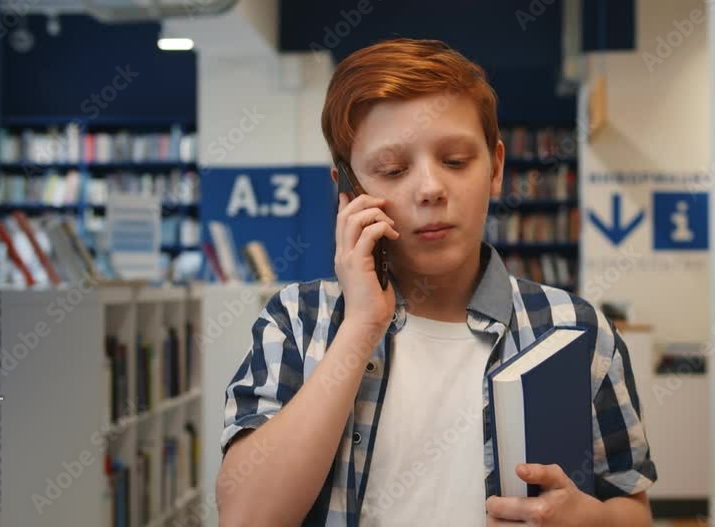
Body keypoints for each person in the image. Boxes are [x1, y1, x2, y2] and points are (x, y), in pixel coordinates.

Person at [216, 38, 656, 526]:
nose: (430, 189)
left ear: (496, 168)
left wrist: (586, 520)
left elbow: (630, 507)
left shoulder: (574, 330)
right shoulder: (298, 321)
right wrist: (363, 324)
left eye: (455, 161)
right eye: (392, 169)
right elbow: (247, 517)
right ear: (347, 189)